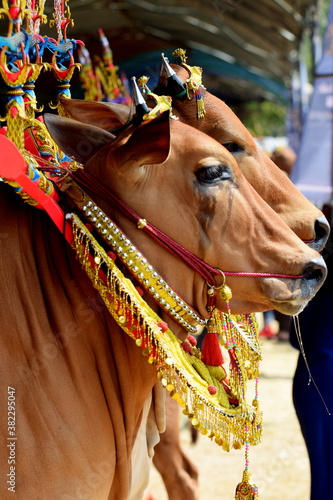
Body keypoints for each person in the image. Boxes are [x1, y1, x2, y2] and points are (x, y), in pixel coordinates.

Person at [290, 229, 333, 500]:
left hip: (314, 383)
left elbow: (297, 341)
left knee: (323, 475)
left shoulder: (314, 276)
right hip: (317, 381)